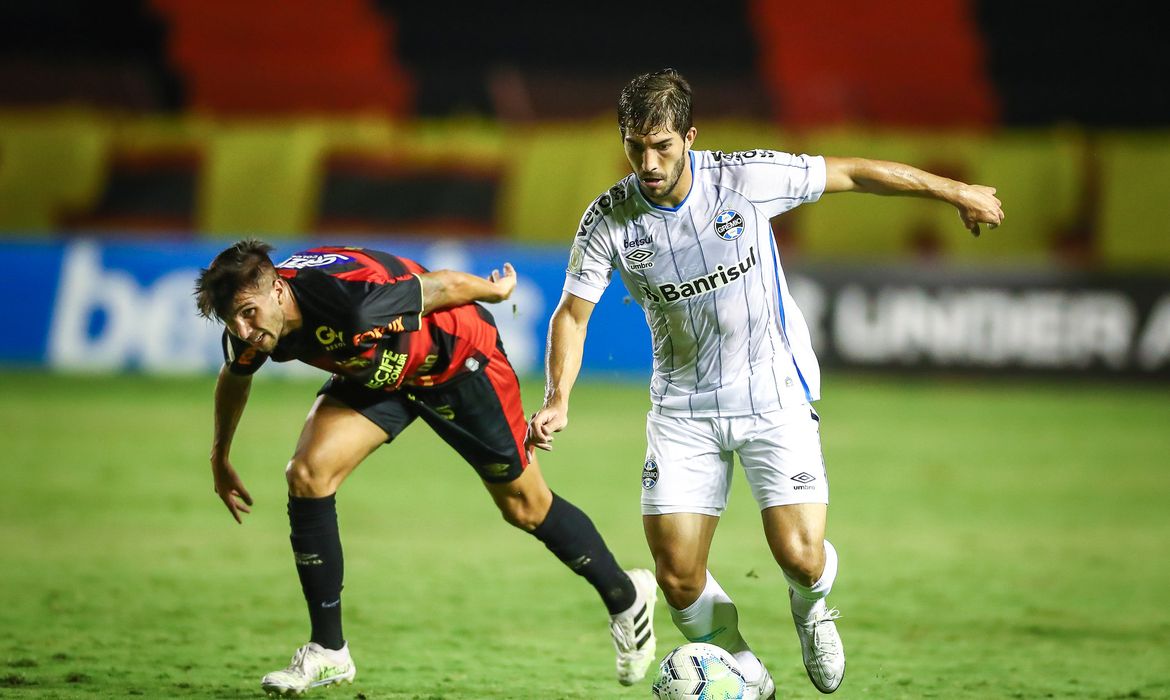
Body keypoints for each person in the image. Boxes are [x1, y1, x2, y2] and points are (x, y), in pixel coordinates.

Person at [526, 69, 1005, 698]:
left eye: (662, 146)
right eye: (636, 146)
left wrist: (956, 190)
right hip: (682, 408)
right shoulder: (609, 219)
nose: (648, 161)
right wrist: (558, 396)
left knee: (800, 557)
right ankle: (746, 674)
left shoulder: (743, 180)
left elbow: (854, 172)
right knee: (676, 576)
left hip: (772, 391)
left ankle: (812, 613)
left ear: (689, 137)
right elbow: (572, 312)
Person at [194, 241, 659, 697]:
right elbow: (234, 377)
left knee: (525, 507)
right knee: (308, 474)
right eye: (231, 319)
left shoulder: (349, 302)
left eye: (248, 312)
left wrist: (493, 292)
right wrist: (219, 456)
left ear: (277, 291)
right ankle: (329, 649)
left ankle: (626, 596)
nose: (242, 328)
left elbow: (438, 287)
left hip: (458, 363)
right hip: (379, 372)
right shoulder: (253, 327)